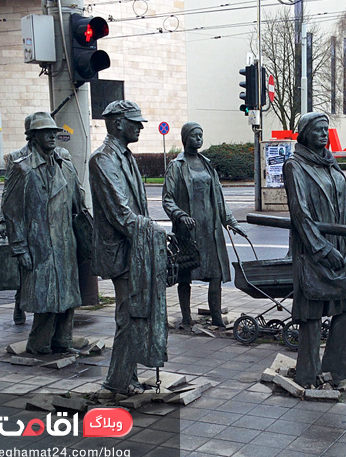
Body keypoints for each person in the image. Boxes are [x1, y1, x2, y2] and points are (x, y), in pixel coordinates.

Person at [89, 100, 168, 396]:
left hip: (136, 247)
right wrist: (153, 231)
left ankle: (127, 375)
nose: (140, 126)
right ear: (118, 123)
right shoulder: (103, 160)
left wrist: (150, 230)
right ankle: (118, 379)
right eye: (135, 122)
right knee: (128, 315)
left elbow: (139, 207)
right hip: (119, 251)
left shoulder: (127, 157)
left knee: (134, 313)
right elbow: (119, 213)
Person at [283, 112, 346, 388]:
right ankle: (308, 373)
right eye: (318, 129)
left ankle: (337, 369)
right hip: (314, 251)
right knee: (311, 315)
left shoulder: (331, 164)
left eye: (325, 129)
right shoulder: (295, 166)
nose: (323, 134)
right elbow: (300, 214)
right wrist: (323, 249)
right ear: (304, 133)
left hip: (344, 248)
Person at [2, 112, 84, 355]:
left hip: (65, 241)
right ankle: (38, 344)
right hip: (39, 243)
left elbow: (77, 202)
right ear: (33, 136)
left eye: (54, 131)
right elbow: (12, 211)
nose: (52, 135)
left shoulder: (64, 164)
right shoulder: (23, 168)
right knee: (45, 296)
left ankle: (62, 341)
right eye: (45, 132)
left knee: (68, 295)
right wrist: (19, 248)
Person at [162, 123, 246, 328]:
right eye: (194, 136)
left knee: (215, 273)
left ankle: (216, 317)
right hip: (188, 231)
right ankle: (186, 317)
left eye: (201, 135)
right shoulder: (176, 165)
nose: (199, 139)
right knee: (186, 274)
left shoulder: (207, 164)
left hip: (211, 229)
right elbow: (167, 199)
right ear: (185, 139)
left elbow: (219, 199)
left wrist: (231, 222)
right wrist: (180, 215)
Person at [0, 115, 33, 326]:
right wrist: (4, 221)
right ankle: (19, 304)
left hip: (44, 222)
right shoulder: (17, 157)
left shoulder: (55, 155)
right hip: (22, 222)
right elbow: (7, 193)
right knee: (23, 269)